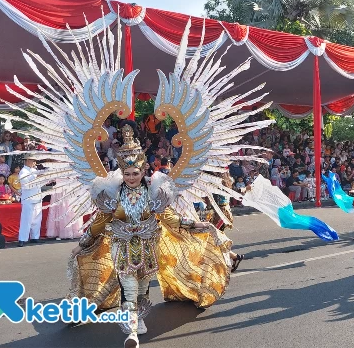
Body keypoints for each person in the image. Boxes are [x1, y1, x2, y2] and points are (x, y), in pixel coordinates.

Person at [69, 124, 233, 346]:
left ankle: (139, 319)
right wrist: (83, 243)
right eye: (126, 173)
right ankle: (132, 331)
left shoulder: (154, 191)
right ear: (121, 172)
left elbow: (170, 219)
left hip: (148, 247)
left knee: (143, 287)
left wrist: (196, 224)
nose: (131, 177)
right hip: (122, 247)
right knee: (129, 286)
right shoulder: (111, 193)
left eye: (135, 173)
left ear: (143, 170)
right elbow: (100, 223)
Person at [18, 155, 42, 247]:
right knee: (26, 219)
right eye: (33, 161)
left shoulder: (34, 170)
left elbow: (40, 183)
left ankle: (35, 237)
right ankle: (22, 238)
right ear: (28, 160)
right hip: (28, 197)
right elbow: (26, 185)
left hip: (37, 196)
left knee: (36, 219)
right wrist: (37, 179)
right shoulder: (23, 172)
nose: (34, 163)